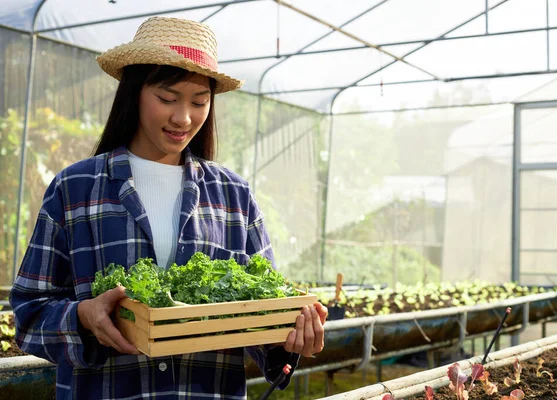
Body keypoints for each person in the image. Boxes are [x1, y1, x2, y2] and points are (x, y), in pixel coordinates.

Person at [9, 16, 327, 400]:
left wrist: (290, 339)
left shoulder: (234, 197)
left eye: (199, 101)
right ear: (134, 92)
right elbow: (29, 314)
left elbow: (259, 313)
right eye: (167, 98)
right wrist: (82, 318)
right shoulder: (76, 188)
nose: (184, 118)